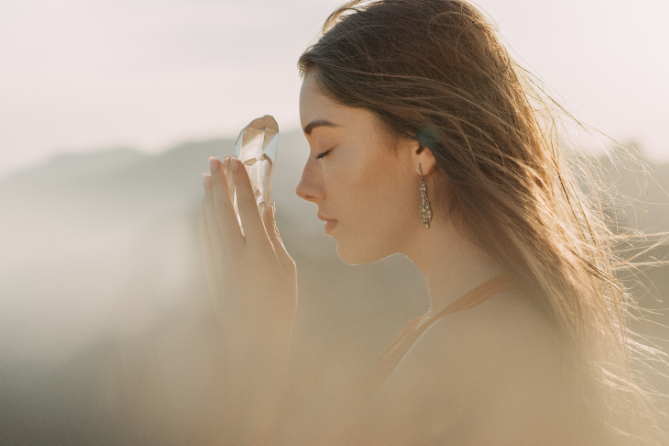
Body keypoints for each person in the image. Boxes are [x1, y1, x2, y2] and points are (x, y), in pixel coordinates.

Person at [200, 0, 667, 444]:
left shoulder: (474, 346)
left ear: (422, 145)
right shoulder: (460, 324)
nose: (305, 185)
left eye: (324, 149)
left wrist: (257, 354)